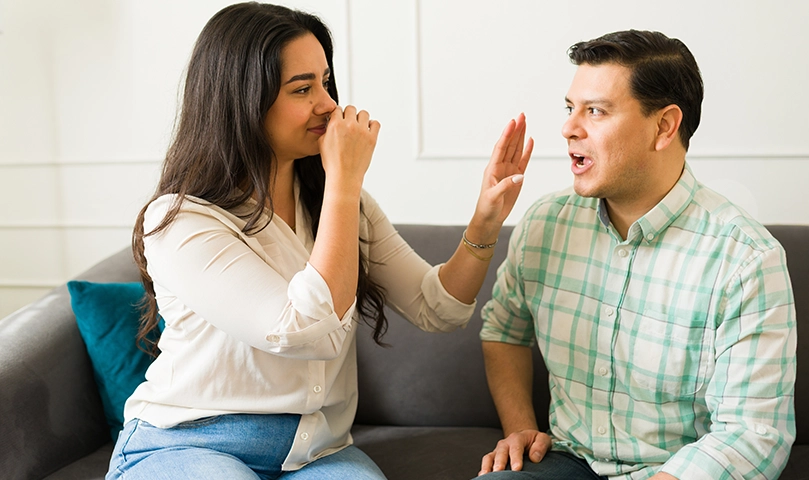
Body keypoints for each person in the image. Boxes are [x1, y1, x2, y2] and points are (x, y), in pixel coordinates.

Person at [106, 3, 533, 479]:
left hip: (314, 451)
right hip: (190, 440)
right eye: (302, 88)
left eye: (325, 82)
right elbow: (304, 330)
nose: (328, 104)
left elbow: (439, 308)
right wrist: (345, 181)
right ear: (242, 101)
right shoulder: (182, 220)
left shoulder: (341, 205)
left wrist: (485, 221)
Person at [477, 30, 796, 480]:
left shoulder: (745, 259)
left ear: (664, 126)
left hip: (676, 470)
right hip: (566, 459)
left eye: (596, 111)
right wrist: (520, 429)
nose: (569, 128)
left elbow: (752, 434)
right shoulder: (544, 223)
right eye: (570, 109)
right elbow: (502, 330)